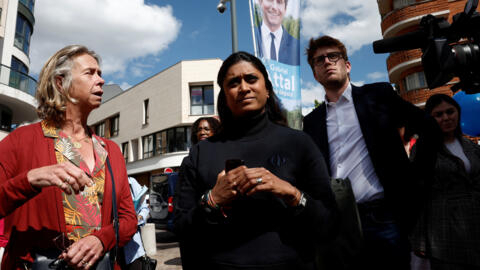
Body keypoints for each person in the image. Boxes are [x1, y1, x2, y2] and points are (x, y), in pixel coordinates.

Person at [173, 51, 337, 269]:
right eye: (233, 82)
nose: (244, 88)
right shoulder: (201, 153)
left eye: (251, 79)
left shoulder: (299, 144)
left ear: (267, 89)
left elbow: (330, 222)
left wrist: (291, 193)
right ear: (225, 96)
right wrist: (212, 200)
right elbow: (181, 228)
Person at [303, 35, 439, 270]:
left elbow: (428, 127)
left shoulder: (378, 96)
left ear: (347, 65)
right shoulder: (311, 121)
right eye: (319, 60)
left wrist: (416, 179)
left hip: (383, 217)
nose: (326, 62)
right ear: (315, 74)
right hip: (338, 222)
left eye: (333, 56)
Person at [0, 45, 137, 269]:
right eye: (90, 73)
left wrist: (101, 240)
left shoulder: (110, 151)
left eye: (100, 74)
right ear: (60, 83)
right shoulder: (22, 140)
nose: (100, 80)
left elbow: (128, 219)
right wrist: (30, 179)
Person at [410, 94, 480, 269]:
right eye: (439, 114)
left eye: (450, 112)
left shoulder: (470, 146)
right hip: (444, 232)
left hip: (475, 225)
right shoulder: (424, 149)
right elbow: (417, 195)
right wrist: (419, 239)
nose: (446, 117)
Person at [255, 0, 299, 65]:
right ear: (260, 2)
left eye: (279, 2)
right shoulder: (252, 37)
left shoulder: (296, 46)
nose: (274, 7)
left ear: (285, 8)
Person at [124, 177, 150, 269]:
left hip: (133, 249)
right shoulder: (103, 182)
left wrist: (138, 218)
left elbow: (144, 208)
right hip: (113, 249)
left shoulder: (131, 182)